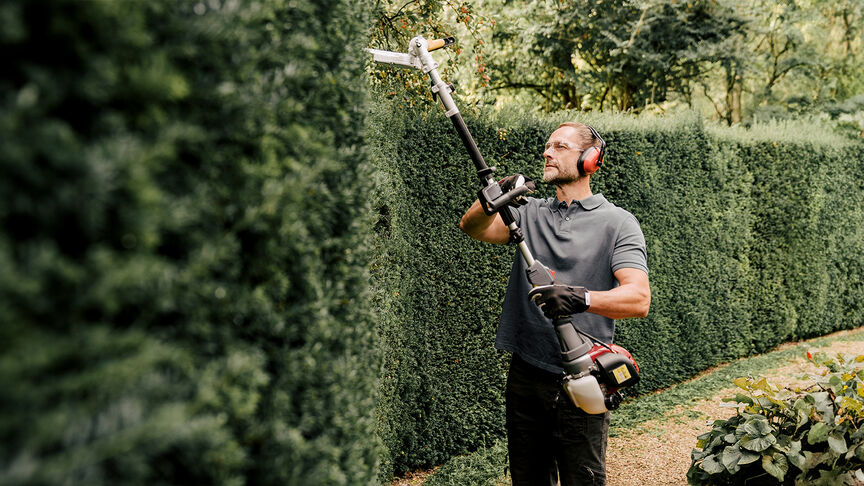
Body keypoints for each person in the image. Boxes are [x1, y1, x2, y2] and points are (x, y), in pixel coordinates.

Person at [458, 122, 651, 486]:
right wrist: (490, 199)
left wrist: (580, 298)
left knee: (584, 479)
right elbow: (474, 227)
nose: (547, 152)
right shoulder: (528, 213)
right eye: (547, 145)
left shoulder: (619, 224)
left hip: (582, 376)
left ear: (590, 159)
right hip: (526, 375)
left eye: (560, 146)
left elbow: (639, 298)